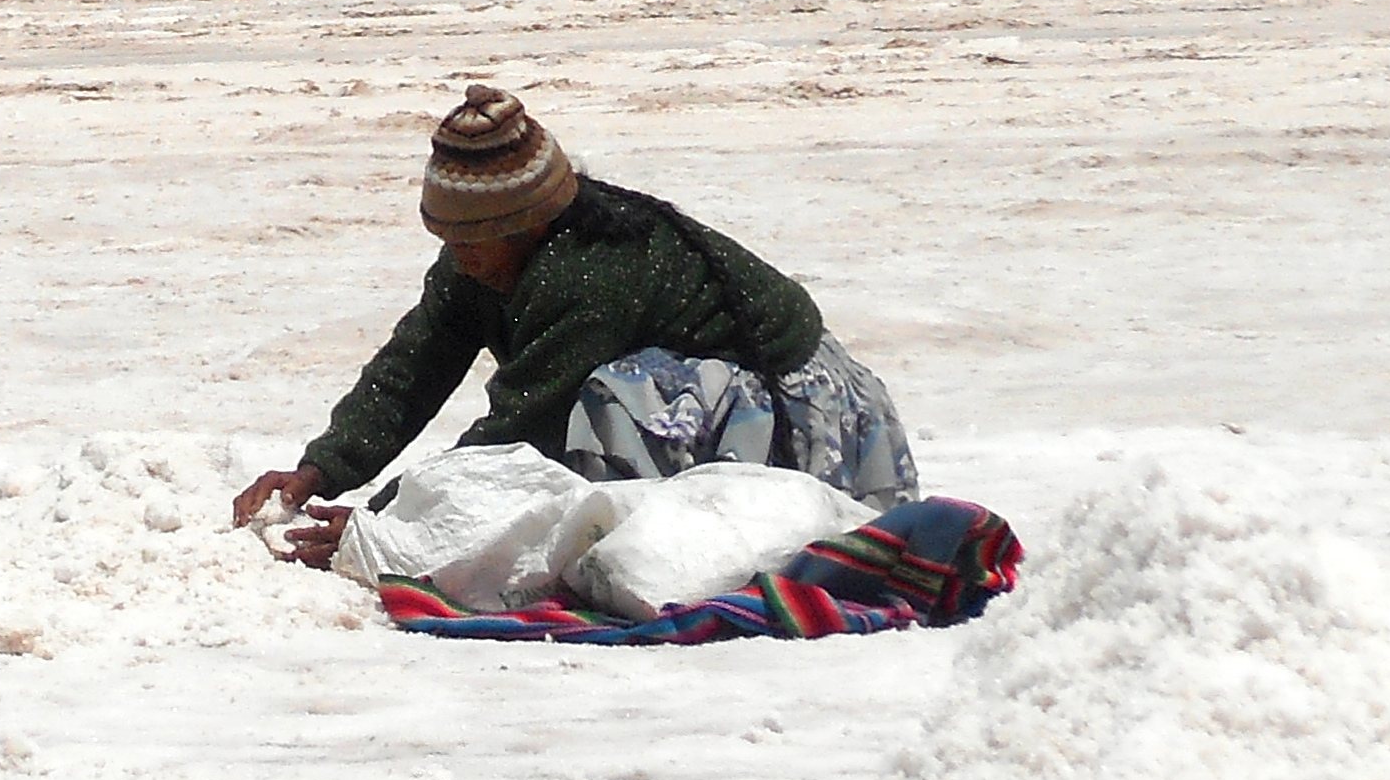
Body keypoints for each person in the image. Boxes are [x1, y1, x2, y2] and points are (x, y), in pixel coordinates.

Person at [234, 85, 917, 565]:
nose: (457, 257)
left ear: (522, 224)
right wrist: (317, 473)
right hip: (710, 401)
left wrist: (386, 527)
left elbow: (516, 427)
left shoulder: (585, 275)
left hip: (788, 412)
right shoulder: (478, 261)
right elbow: (414, 366)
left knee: (608, 400)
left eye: (469, 242)